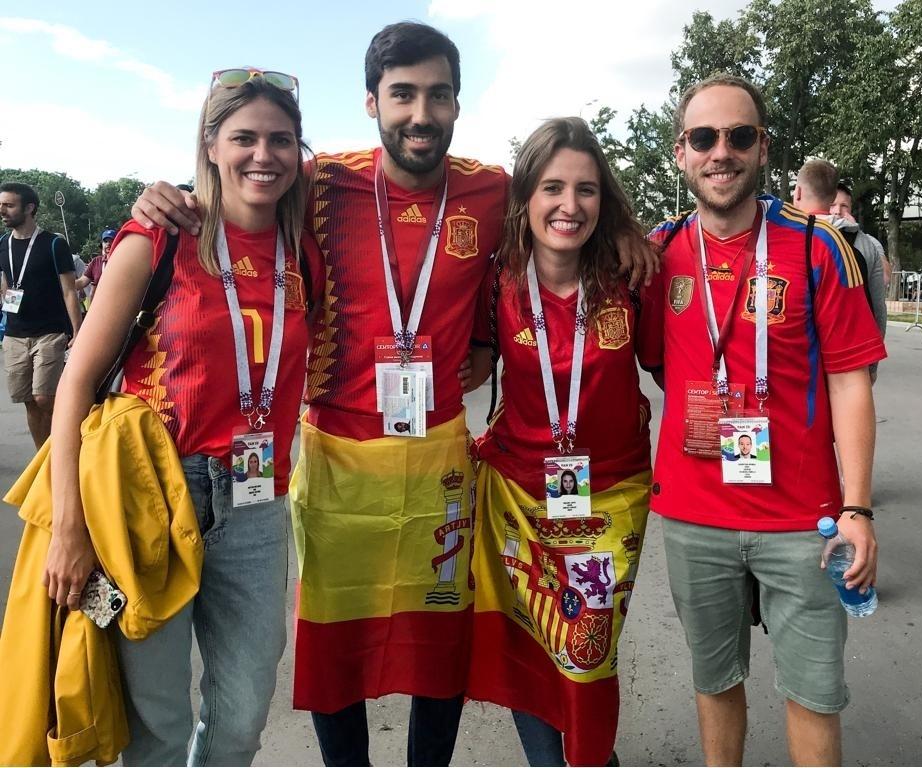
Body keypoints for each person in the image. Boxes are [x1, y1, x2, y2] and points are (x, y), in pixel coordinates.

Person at [129, 26, 654, 766]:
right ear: (372, 101)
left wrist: (627, 232)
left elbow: (560, 209)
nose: (420, 112)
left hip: (439, 458)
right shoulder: (323, 182)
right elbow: (246, 175)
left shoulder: (490, 186)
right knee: (337, 653)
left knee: (439, 647)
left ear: (456, 105)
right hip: (339, 460)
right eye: (402, 94)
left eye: (437, 95)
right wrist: (168, 194)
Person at [46, 69, 324, 765]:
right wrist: (68, 528)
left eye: (281, 140)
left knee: (239, 718)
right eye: (245, 138)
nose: (264, 155)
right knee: (159, 724)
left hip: (258, 506)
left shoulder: (304, 253)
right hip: (151, 498)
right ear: (210, 145)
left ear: (300, 152)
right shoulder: (157, 239)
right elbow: (75, 383)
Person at [640, 73, 885, 765]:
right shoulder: (655, 254)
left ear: (763, 148)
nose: (723, 152)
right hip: (694, 515)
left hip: (801, 519)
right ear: (681, 152)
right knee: (715, 681)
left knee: (813, 694)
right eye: (704, 137)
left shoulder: (815, 247)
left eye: (739, 136)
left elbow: (850, 383)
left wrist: (860, 508)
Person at [464, 116, 653, 767]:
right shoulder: (497, 279)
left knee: (585, 644)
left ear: (607, 200)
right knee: (530, 638)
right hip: (516, 494)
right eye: (551, 188)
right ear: (526, 198)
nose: (569, 205)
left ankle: (590, 756)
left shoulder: (633, 276)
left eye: (587, 190)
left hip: (612, 499)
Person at [0, 182, 83, 448]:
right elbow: (5, 279)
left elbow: (70, 291)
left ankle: (70, 442)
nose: (2, 210)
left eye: (9, 205)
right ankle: (42, 458)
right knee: (28, 400)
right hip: (14, 333)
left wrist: (78, 332)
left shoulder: (54, 244)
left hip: (50, 331)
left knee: (44, 397)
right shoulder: (2, 244)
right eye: (1, 205)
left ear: (29, 208)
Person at [794, 160, 886, 382]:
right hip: (848, 362)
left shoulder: (783, 237)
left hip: (798, 362)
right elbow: (876, 308)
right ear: (831, 198)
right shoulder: (864, 243)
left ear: (797, 192)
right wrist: (871, 365)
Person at [830, 182, 891, 289]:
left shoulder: (870, 242)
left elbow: (884, 278)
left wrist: (855, 234)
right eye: (832, 205)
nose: (837, 211)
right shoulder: (812, 239)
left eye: (844, 206)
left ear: (850, 209)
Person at [75, 228, 117, 295]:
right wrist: (65, 285)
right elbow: (82, 282)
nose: (108, 244)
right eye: (105, 241)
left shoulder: (121, 261)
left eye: (112, 241)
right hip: (100, 302)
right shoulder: (96, 261)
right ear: (102, 244)